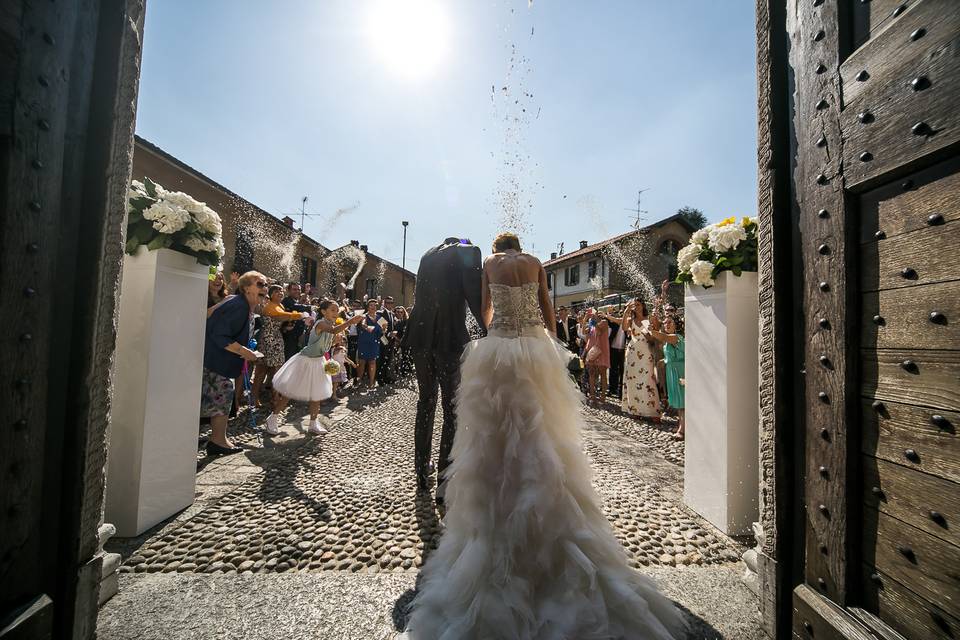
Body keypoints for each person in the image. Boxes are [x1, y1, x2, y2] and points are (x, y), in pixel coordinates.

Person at [403, 233, 686, 639]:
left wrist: (495, 329)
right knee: (542, 424)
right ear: (518, 245)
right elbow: (546, 305)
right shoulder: (534, 261)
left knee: (483, 424)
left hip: (485, 343)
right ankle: (546, 493)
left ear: (498, 247)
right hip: (533, 347)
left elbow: (483, 307)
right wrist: (550, 339)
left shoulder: (476, 262)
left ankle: (461, 486)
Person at [401, 236, 483, 497]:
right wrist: (491, 329)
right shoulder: (469, 250)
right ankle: (444, 479)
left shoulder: (427, 255)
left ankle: (421, 470)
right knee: (451, 410)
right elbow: (474, 296)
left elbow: (420, 296)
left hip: (421, 337)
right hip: (449, 338)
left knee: (425, 402)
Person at [267, 300, 363, 435]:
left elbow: (324, 346)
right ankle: (273, 418)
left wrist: (333, 342)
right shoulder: (321, 323)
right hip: (306, 360)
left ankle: (313, 423)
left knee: (316, 394)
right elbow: (334, 330)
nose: (336, 313)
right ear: (323, 312)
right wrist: (350, 321)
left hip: (318, 361)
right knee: (290, 391)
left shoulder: (329, 324)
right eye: (332, 310)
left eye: (337, 310)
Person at [201, 271, 266, 455]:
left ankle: (219, 439)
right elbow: (220, 334)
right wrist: (246, 352)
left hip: (221, 362)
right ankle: (218, 441)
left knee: (222, 401)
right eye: (260, 284)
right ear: (246, 288)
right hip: (216, 361)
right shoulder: (239, 306)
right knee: (221, 401)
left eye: (265, 285)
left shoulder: (243, 305)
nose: (265, 289)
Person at [251, 285, 307, 406]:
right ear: (271, 295)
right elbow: (281, 316)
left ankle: (274, 396)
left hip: (276, 338)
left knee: (275, 369)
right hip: (268, 339)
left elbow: (279, 321)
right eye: (277, 291)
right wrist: (300, 315)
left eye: (281, 291)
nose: (280, 293)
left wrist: (286, 327)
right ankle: (255, 397)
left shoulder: (280, 305)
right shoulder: (270, 306)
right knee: (262, 369)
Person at [621, 299, 660, 420]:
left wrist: (650, 336)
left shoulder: (649, 319)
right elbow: (623, 328)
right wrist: (626, 311)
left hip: (646, 352)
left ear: (643, 305)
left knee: (648, 379)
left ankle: (652, 411)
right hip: (632, 353)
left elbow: (655, 336)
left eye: (638, 304)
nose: (636, 307)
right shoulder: (630, 320)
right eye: (634, 305)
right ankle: (635, 410)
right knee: (632, 380)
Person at [649, 313, 685, 439]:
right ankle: (681, 424)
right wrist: (663, 361)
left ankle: (682, 429)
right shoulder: (669, 340)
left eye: (670, 322)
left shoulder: (676, 337)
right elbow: (671, 355)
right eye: (665, 322)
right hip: (671, 370)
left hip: (679, 371)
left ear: (677, 325)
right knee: (677, 400)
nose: (666, 324)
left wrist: (651, 330)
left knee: (682, 400)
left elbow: (663, 336)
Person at [584, 311, 610, 405]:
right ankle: (592, 395)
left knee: (603, 373)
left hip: (602, 350)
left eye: (595, 313)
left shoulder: (604, 322)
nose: (593, 315)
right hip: (593, 351)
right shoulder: (591, 323)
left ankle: (603, 396)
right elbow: (584, 332)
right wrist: (585, 320)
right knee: (591, 373)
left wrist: (594, 321)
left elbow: (599, 331)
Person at [356, 299, 383, 389]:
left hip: (374, 342)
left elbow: (384, 328)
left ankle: (371, 382)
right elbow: (363, 325)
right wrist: (367, 327)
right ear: (367, 307)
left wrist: (384, 329)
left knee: (372, 362)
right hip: (364, 341)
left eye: (375, 305)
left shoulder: (379, 318)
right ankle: (359, 381)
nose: (373, 306)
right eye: (371, 305)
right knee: (362, 362)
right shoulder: (364, 316)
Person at [281, 283, 312, 361]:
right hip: (289, 337)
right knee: (289, 361)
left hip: (298, 337)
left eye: (299, 289)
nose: (297, 291)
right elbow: (296, 307)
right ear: (288, 291)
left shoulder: (297, 301)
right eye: (294, 289)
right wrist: (311, 307)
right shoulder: (287, 300)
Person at [330, 332, 356, 398]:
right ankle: (333, 395)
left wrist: (352, 363)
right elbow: (335, 355)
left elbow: (345, 358)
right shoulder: (334, 348)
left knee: (337, 381)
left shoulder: (342, 349)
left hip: (340, 367)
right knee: (335, 381)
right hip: (334, 367)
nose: (342, 342)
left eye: (343, 341)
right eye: (341, 340)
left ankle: (334, 393)